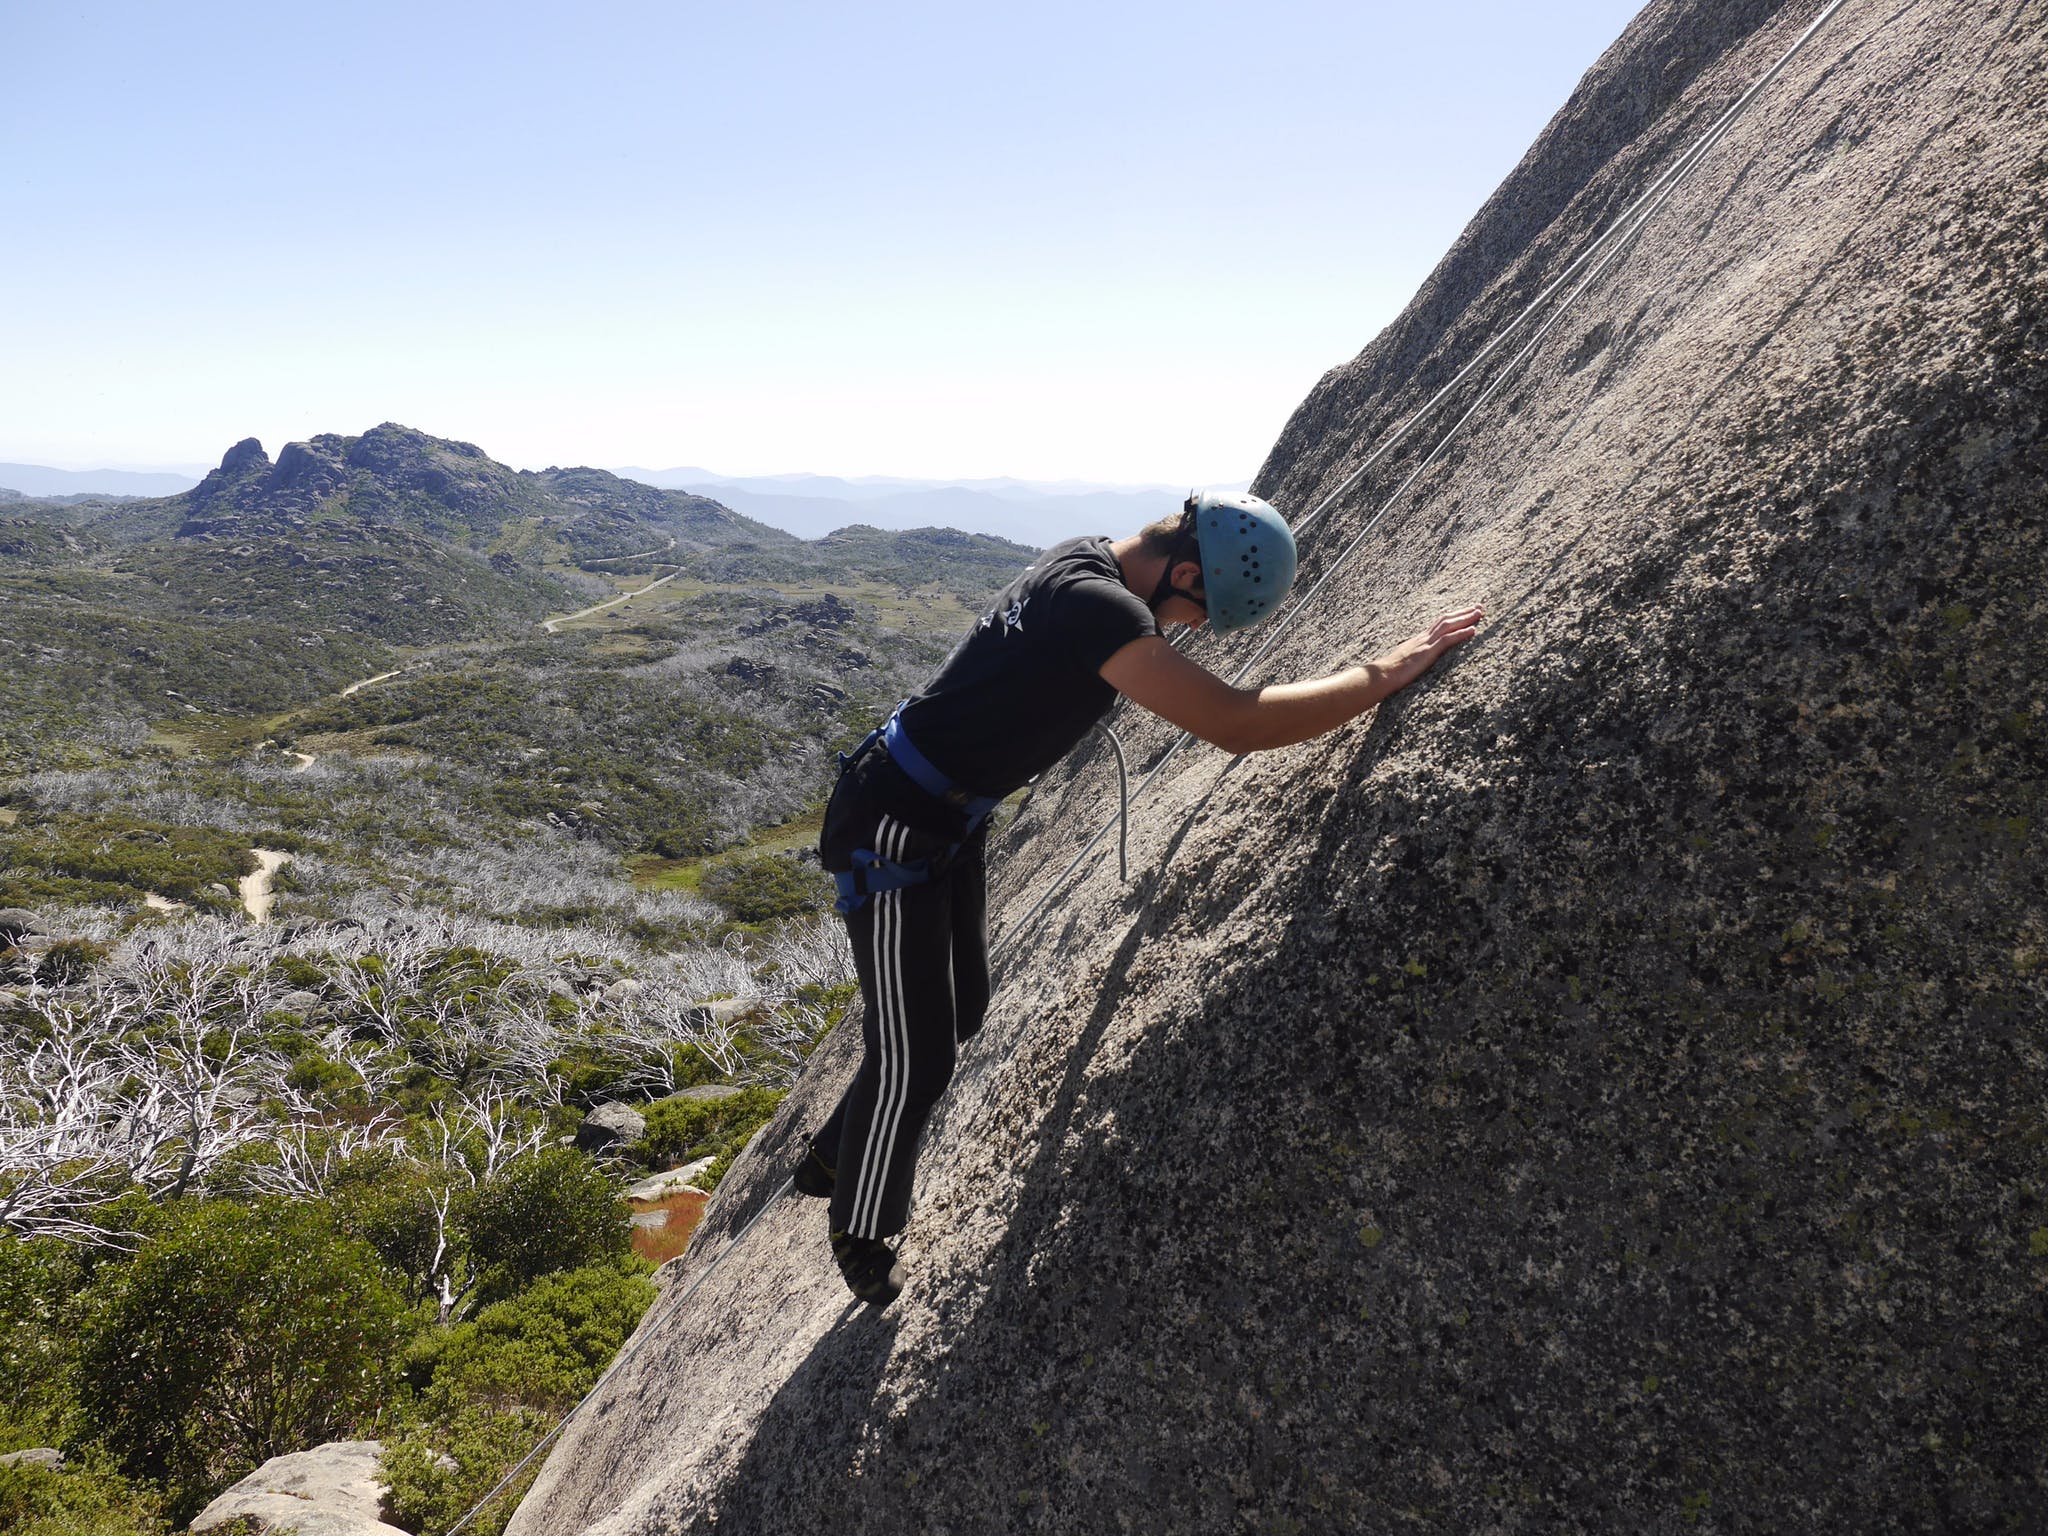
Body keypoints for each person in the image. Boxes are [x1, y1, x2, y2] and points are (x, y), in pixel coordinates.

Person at [795, 491, 1484, 1303]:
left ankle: (841, 1148)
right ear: (1183, 570)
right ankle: (860, 1219)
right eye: (1195, 614)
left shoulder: (1087, 556)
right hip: (894, 828)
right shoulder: (1098, 606)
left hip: (941, 812)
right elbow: (1235, 724)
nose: (1186, 631)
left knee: (962, 1006)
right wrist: (1381, 675)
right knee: (923, 1054)